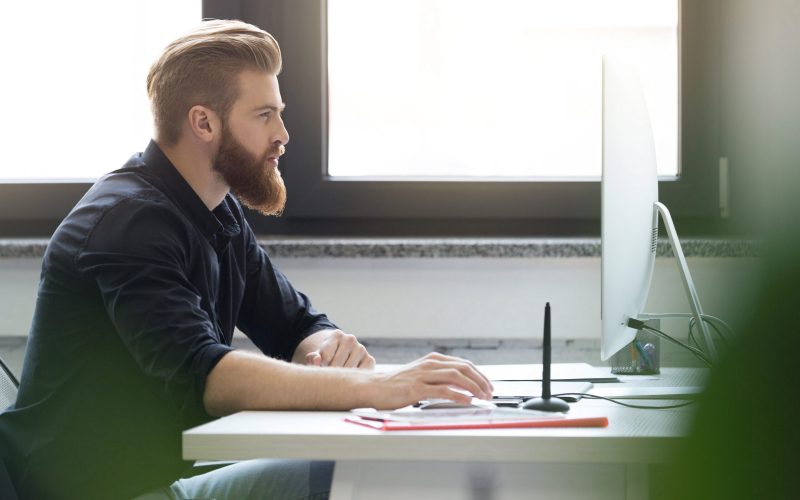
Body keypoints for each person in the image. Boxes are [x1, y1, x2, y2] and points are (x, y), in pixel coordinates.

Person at [0, 19, 493, 500]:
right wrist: (380, 383)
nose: (283, 133)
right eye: (263, 115)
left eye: (279, 112)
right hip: (107, 491)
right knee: (362, 477)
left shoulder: (217, 210)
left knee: (371, 465)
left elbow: (294, 323)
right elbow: (208, 376)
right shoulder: (130, 223)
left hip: (168, 473)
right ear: (204, 122)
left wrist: (326, 349)